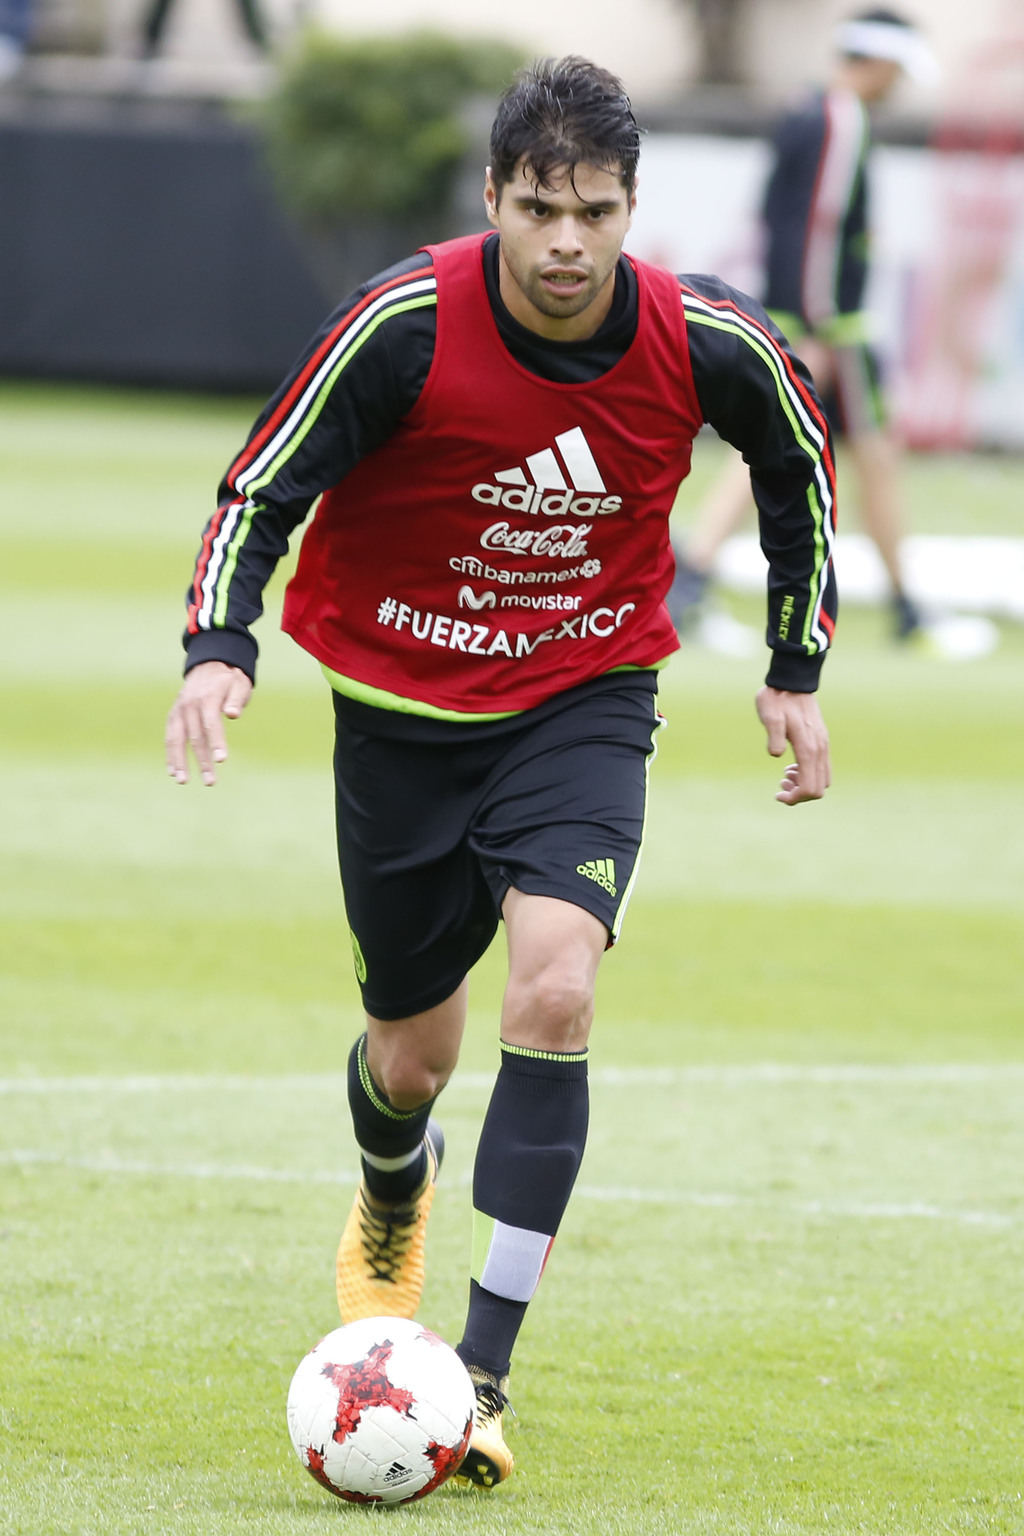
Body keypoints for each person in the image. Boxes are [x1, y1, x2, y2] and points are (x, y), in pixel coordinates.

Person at [165, 57, 835, 1490]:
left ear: (633, 206)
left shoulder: (707, 337)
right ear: (493, 198)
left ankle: (475, 1374)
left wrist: (797, 661)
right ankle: (390, 1189)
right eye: (539, 208)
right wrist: (221, 642)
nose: (567, 242)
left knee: (556, 986)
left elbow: (797, 461)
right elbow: (263, 482)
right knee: (410, 1059)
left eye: (595, 211)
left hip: (582, 702)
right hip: (399, 718)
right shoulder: (403, 323)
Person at [668, 8, 938, 644]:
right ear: (878, 62)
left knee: (825, 454)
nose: (898, 85)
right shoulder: (839, 119)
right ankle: (905, 609)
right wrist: (817, 325)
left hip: (820, 325)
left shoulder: (807, 111)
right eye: (897, 70)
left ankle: (695, 579)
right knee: (855, 456)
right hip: (831, 330)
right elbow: (817, 226)